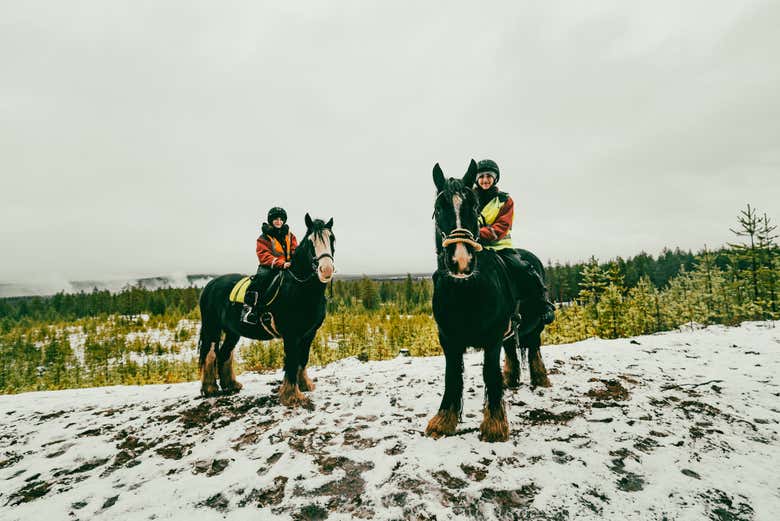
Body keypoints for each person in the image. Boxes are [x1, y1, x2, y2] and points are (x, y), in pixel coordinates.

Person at [473, 159, 555, 331]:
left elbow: (503, 225)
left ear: (495, 178)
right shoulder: (468, 198)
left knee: (523, 268)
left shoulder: (505, 200)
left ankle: (543, 304)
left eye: (489, 176)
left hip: (501, 248)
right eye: (481, 176)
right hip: (474, 249)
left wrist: (478, 234)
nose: (485, 180)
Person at [241, 207, 298, 325]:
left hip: (288, 266)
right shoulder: (264, 237)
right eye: (276, 219)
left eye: (281, 219)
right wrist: (281, 263)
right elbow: (264, 255)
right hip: (270, 266)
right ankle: (250, 310)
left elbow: (294, 250)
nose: (279, 221)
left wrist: (294, 261)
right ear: (271, 220)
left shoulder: (290, 236)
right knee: (259, 280)